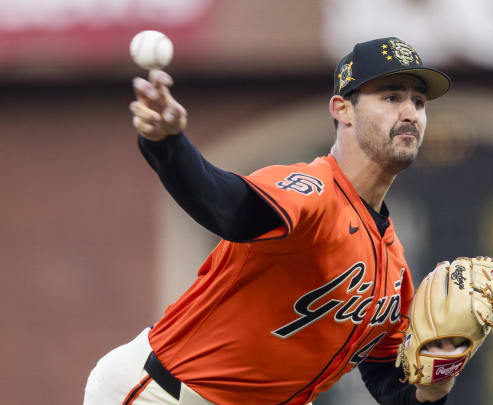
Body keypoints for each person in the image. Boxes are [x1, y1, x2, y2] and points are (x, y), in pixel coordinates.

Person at [84, 37, 454, 405]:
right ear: (343, 109)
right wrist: (169, 145)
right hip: (166, 394)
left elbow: (389, 384)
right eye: (391, 98)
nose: (410, 113)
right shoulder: (312, 192)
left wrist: (437, 381)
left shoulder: (394, 267)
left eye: (418, 102)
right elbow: (227, 206)